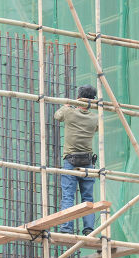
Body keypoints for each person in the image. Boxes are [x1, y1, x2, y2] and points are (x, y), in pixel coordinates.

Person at [54, 84, 99, 235]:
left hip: (70, 160)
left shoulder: (69, 112)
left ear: (78, 98)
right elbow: (97, 128)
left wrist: (67, 105)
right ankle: (88, 229)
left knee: (68, 195)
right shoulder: (95, 118)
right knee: (87, 197)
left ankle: (66, 228)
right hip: (87, 161)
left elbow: (57, 116)